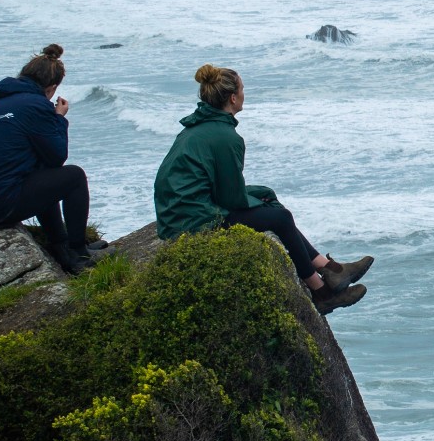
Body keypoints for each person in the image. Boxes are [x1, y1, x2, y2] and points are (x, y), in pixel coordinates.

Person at [153, 63, 371, 314]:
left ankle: (331, 270)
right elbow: (231, 198)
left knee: (265, 194)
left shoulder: (200, 127)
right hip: (193, 220)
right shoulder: (226, 138)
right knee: (280, 217)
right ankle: (321, 291)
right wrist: (267, 206)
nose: (245, 93)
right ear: (233, 98)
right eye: (243, 89)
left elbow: (219, 187)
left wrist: (264, 198)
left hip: (182, 211)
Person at [0, 44, 100, 273]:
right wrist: (59, 118)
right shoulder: (36, 105)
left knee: (41, 173)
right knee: (74, 177)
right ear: (51, 88)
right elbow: (57, 157)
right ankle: (79, 253)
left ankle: (61, 246)